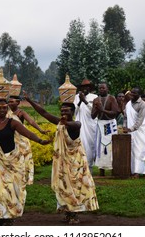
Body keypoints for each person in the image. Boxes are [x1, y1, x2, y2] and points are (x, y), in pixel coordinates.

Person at [24, 91, 99, 224]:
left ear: (73, 112)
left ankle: (74, 215)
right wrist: (29, 100)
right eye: (62, 111)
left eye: (67, 111)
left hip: (75, 163)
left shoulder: (76, 124)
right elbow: (44, 113)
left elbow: (74, 125)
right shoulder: (60, 122)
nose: (63, 113)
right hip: (62, 162)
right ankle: (68, 212)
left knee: (75, 188)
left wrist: (66, 122)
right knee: (64, 187)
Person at [8, 95, 48, 184]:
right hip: (10, 136)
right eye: (9, 101)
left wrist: (40, 130)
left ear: (18, 103)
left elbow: (31, 121)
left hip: (21, 136)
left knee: (25, 156)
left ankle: (26, 176)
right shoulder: (5, 112)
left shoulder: (21, 113)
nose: (10, 103)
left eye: (12, 101)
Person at [91, 82, 119, 176]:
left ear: (108, 89)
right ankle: (101, 170)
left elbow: (114, 113)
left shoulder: (112, 99)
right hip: (100, 124)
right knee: (101, 147)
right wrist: (96, 109)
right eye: (100, 88)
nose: (101, 90)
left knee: (111, 147)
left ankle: (112, 170)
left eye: (103, 88)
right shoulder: (96, 100)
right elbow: (92, 116)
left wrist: (102, 110)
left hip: (110, 124)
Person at [123, 87, 145, 178]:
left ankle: (137, 173)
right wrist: (124, 127)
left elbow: (140, 120)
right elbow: (125, 117)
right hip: (130, 131)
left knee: (139, 150)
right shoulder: (128, 104)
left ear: (139, 95)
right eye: (131, 93)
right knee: (132, 150)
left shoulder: (143, 105)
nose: (132, 95)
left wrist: (131, 129)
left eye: (135, 93)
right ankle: (138, 171)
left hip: (140, 131)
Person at [73, 79, 98, 173]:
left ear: (90, 88)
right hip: (80, 125)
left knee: (90, 146)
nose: (85, 89)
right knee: (80, 144)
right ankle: (79, 168)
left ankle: (89, 168)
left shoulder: (94, 97)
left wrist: (85, 101)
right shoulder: (76, 97)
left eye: (87, 87)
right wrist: (80, 101)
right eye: (83, 87)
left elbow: (95, 111)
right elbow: (74, 111)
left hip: (91, 126)